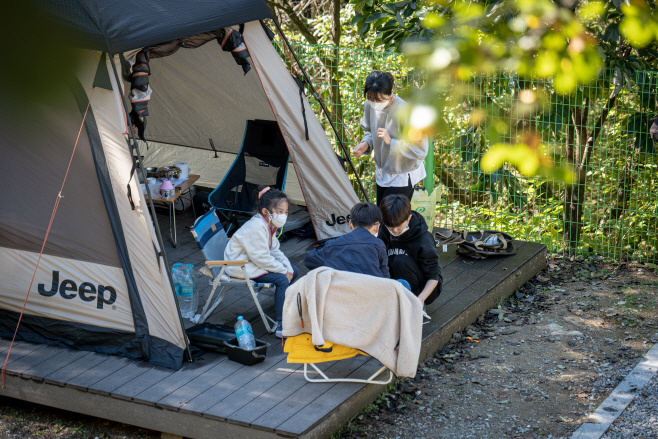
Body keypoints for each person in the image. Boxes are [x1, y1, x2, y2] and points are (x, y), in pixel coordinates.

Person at [224, 185, 298, 338]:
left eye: (285, 212)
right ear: (266, 212)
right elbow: (262, 258)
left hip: (253, 261)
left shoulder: (269, 224)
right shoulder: (256, 227)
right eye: (280, 212)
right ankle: (281, 325)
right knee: (281, 279)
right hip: (241, 265)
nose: (283, 216)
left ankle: (280, 296)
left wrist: (288, 269)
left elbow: (275, 250)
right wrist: (283, 272)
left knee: (294, 271)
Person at [353, 71, 429, 205]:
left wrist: (392, 142)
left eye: (379, 100)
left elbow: (421, 148)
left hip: (403, 173)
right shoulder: (369, 104)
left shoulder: (406, 111)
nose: (375, 104)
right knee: (382, 218)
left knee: (393, 221)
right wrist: (366, 144)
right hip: (383, 170)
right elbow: (370, 131)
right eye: (371, 99)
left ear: (392, 92)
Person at [378, 194, 442, 308]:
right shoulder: (384, 230)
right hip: (396, 281)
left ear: (409, 218)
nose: (395, 231)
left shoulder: (423, 239)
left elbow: (434, 275)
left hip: (425, 288)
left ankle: (411, 303)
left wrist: (421, 298)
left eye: (398, 227)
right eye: (391, 228)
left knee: (400, 260)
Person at [304, 202, 390, 279]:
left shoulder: (332, 245)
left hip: (341, 292)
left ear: (350, 224)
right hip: (371, 293)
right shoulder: (379, 245)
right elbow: (386, 277)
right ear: (377, 227)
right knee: (402, 282)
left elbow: (309, 259)